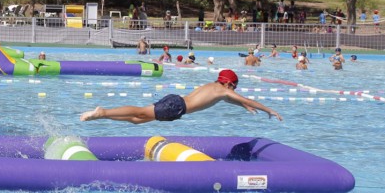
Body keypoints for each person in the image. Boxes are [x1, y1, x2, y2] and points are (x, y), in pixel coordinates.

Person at [80, 69, 282, 124]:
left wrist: (243, 107)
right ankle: (103, 111)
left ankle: (103, 115)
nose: (234, 91)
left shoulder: (215, 87)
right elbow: (244, 99)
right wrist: (269, 110)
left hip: (176, 102)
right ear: (229, 84)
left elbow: (233, 100)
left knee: (137, 121)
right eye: (235, 87)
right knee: (140, 112)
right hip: (176, 107)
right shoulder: (224, 91)